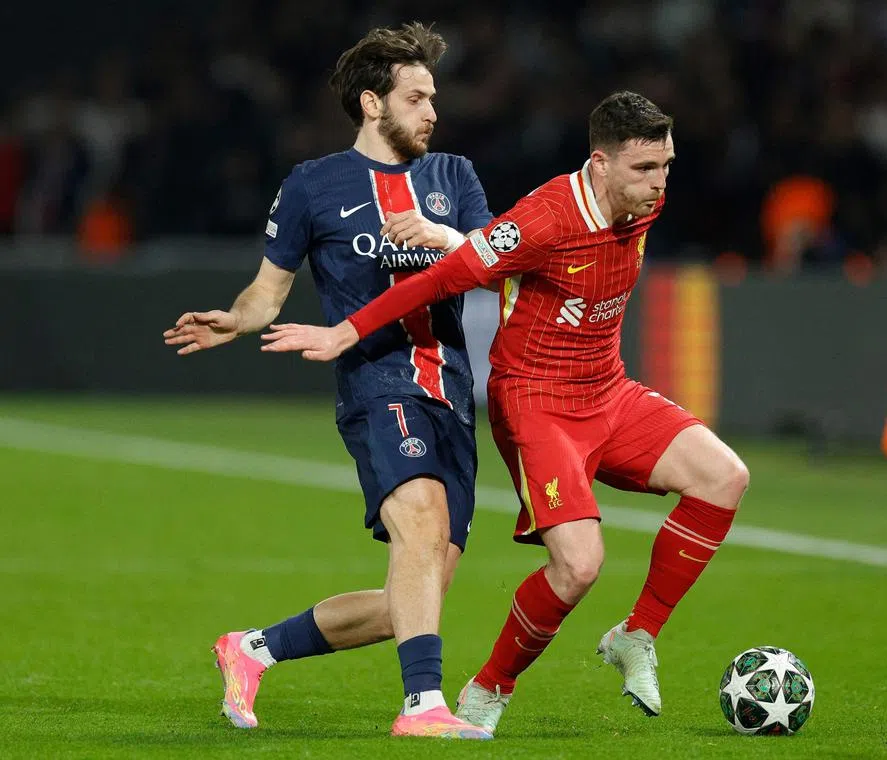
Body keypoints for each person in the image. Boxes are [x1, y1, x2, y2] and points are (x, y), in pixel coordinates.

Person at [260, 90, 751, 734]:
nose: (659, 184)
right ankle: (489, 689)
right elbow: (445, 278)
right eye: (643, 170)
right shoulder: (547, 216)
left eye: (666, 166)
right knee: (579, 565)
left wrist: (452, 235)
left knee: (725, 477)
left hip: (608, 390)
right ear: (599, 164)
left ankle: (636, 634)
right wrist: (344, 333)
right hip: (538, 403)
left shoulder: (642, 203)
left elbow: (504, 264)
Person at [162, 23, 494, 740]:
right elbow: (267, 293)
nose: (432, 110)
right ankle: (422, 707)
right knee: (421, 521)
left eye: (434, 96)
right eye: (416, 97)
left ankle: (251, 649)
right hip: (377, 385)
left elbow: (495, 258)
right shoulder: (315, 184)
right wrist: (236, 319)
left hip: (452, 395)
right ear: (373, 104)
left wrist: (444, 240)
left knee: (416, 594)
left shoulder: (455, 178)